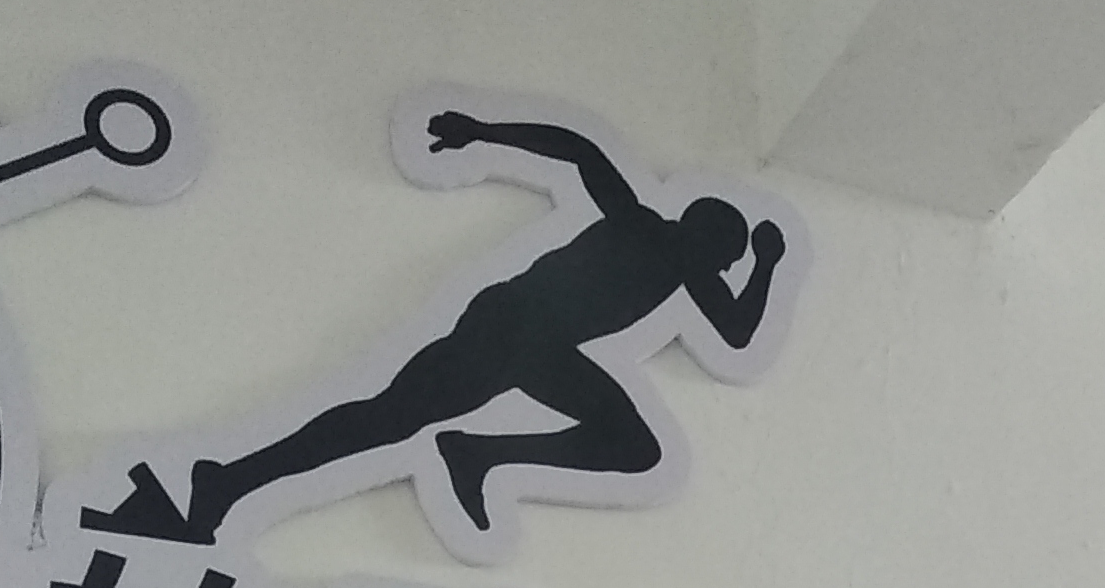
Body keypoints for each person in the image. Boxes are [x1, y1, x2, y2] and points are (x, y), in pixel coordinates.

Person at [86, 108, 793, 547]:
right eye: (724, 257)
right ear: (702, 236)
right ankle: (225, 481)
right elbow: (577, 150)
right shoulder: (649, 232)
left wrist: (763, 266)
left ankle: (472, 453)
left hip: (539, 346)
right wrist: (484, 134)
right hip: (514, 328)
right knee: (382, 421)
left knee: (629, 446)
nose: (721, 271)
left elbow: (735, 332)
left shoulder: (672, 256)